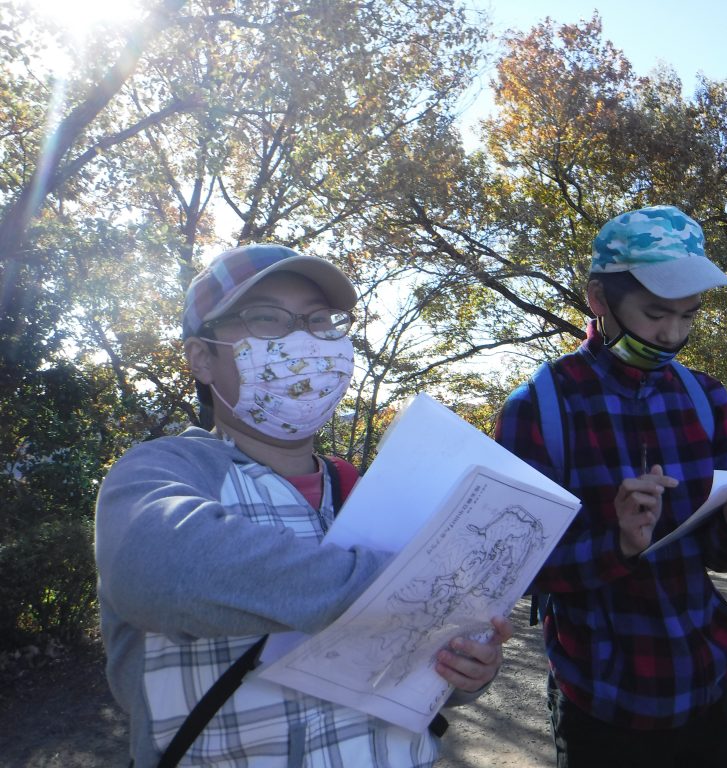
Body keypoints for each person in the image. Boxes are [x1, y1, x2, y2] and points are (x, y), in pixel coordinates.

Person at [95, 244, 513, 767]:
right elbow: (154, 568)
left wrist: (466, 670)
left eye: (319, 321)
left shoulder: (372, 489)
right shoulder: (167, 469)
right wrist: (406, 591)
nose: (304, 340)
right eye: (267, 317)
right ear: (201, 357)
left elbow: (418, 667)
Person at [494, 205, 727, 768]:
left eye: (689, 316)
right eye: (656, 313)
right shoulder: (539, 407)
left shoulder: (706, 399)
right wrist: (620, 544)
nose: (672, 335)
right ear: (599, 300)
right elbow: (517, 566)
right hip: (599, 698)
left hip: (704, 684)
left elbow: (725, 558)